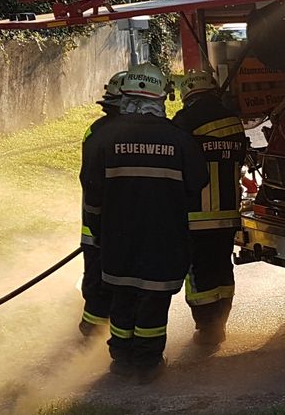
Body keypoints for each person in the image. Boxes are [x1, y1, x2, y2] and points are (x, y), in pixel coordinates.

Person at [81, 63, 207, 383]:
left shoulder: (103, 137)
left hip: (116, 238)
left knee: (122, 293)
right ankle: (148, 362)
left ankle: (122, 358)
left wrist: (96, 230)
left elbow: (91, 190)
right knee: (153, 298)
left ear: (125, 97)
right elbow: (198, 183)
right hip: (164, 238)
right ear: (161, 99)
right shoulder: (178, 140)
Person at [171, 69, 247, 345]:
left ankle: (207, 328)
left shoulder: (184, 121)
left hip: (197, 215)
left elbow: (175, 162)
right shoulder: (233, 120)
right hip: (228, 212)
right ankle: (220, 324)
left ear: (187, 94)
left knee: (200, 273)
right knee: (223, 268)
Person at [78, 71, 125, 338]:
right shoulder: (118, 134)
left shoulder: (95, 130)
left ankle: (92, 327)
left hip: (94, 220)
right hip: (109, 221)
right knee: (108, 275)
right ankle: (95, 329)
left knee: (96, 273)